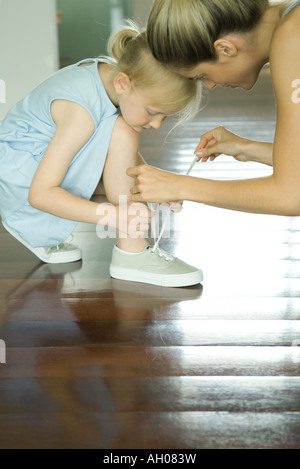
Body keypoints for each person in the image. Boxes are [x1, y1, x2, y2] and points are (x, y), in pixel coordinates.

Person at [0, 23, 203, 288]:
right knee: (123, 131)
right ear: (123, 83)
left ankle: (132, 252)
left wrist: (157, 187)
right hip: (21, 188)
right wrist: (113, 216)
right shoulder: (81, 113)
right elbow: (40, 194)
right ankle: (132, 252)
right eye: (153, 112)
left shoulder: (110, 75)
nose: (157, 124)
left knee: (122, 135)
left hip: (26, 172)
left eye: (165, 116)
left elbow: (122, 160)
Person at [127, 0, 300, 217]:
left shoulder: (292, 39)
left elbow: (291, 196)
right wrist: (245, 147)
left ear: (225, 48)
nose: (210, 85)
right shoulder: (292, 19)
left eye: (202, 76)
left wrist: (178, 186)